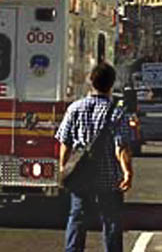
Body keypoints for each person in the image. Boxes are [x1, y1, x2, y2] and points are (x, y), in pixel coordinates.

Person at [55, 61, 133, 252]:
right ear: (112, 83)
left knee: (77, 218)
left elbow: (65, 142)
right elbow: (121, 146)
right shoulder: (117, 112)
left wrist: (63, 168)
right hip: (108, 178)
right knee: (111, 222)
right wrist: (127, 172)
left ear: (91, 82)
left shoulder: (75, 108)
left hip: (81, 176)